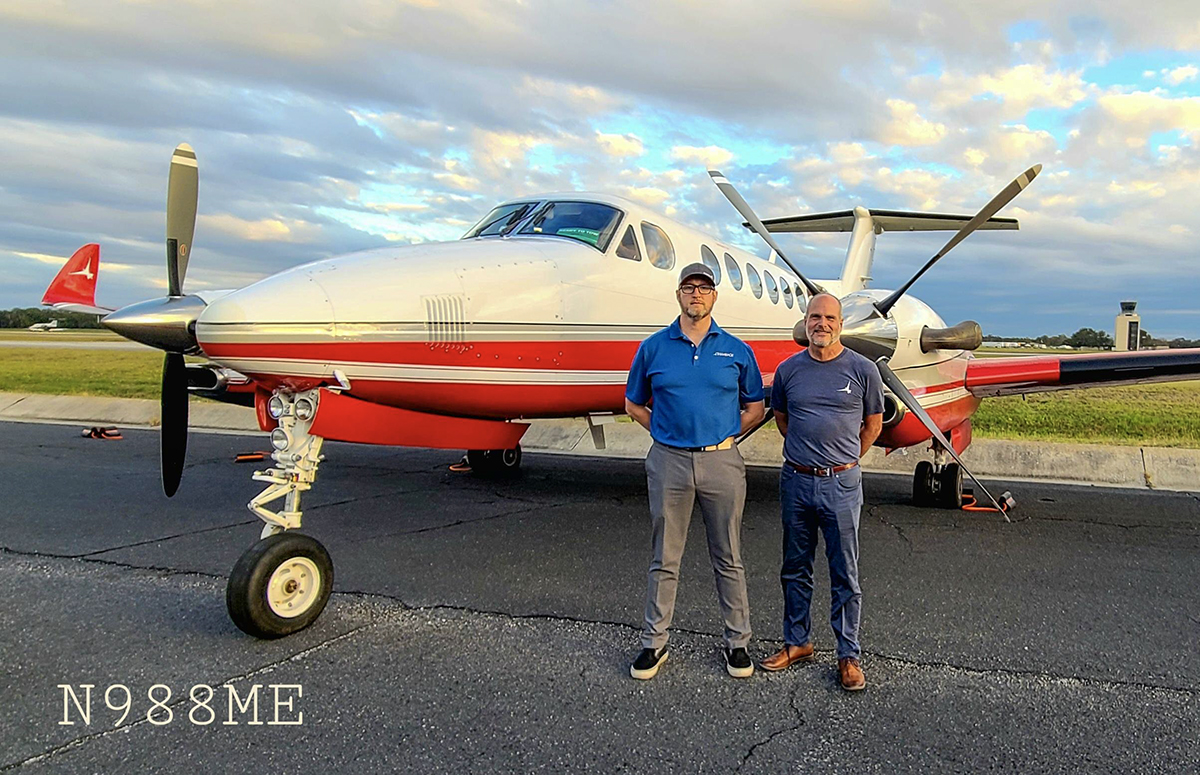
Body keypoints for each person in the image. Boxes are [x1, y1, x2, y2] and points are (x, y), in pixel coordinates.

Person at [624, 262, 766, 680]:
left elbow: (755, 408)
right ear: (679, 295)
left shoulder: (736, 350)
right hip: (668, 461)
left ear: (714, 296)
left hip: (721, 461)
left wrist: (723, 436)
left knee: (729, 556)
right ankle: (654, 643)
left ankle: (737, 643)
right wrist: (665, 433)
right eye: (689, 287)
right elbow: (634, 403)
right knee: (665, 556)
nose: (696, 294)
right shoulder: (653, 348)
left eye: (704, 288)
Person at [760, 293, 883, 691]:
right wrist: (808, 458)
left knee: (844, 571)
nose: (822, 324)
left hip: (841, 485)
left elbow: (873, 424)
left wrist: (844, 460)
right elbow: (782, 418)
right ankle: (797, 642)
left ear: (841, 324)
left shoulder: (863, 370)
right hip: (796, 481)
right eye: (815, 317)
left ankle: (848, 654)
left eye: (830, 318)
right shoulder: (788, 370)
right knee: (795, 567)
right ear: (806, 321)